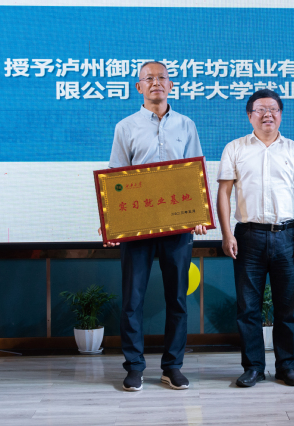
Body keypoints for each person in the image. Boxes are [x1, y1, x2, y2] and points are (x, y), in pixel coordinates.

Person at [101, 60, 207, 392]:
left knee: (177, 299)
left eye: (162, 77)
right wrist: (112, 223)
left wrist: (199, 214)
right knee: (132, 299)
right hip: (137, 227)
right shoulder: (125, 127)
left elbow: (195, 172)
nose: (156, 82)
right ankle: (134, 366)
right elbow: (116, 177)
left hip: (178, 224)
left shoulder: (187, 125)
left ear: (171, 85)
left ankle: (172, 367)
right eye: (149, 78)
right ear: (139, 87)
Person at [217, 89, 294, 388]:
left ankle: (286, 366)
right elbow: (223, 192)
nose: (267, 115)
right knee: (248, 309)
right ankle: (253, 368)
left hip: (288, 236)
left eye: (273, 109)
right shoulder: (235, 148)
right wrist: (226, 233)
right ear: (250, 116)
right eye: (260, 109)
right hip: (248, 237)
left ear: (281, 115)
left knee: (287, 308)